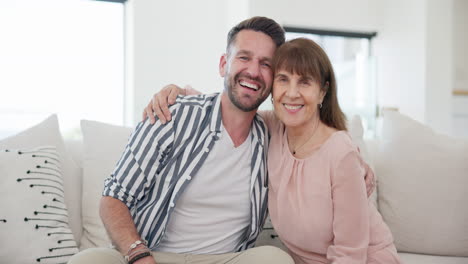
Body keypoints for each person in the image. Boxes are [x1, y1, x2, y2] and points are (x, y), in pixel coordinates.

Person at [145, 38, 401, 264]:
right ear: (271, 88)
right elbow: (224, 109)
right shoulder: (272, 127)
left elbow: (350, 254)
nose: (291, 93)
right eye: (283, 79)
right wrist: (176, 93)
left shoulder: (341, 154)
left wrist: (354, 163)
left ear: (323, 91)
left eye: (304, 82)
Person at [68, 16, 295, 264]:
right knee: (87, 261)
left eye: (266, 64)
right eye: (244, 57)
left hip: (224, 259)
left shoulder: (274, 133)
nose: (253, 71)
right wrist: (138, 254)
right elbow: (113, 198)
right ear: (223, 64)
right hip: (152, 255)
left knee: (274, 258)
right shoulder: (171, 115)